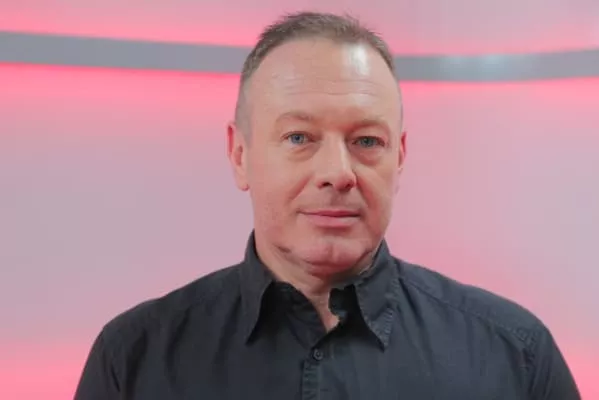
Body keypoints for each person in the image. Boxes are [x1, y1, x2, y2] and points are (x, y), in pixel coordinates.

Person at [74, 11, 580, 400]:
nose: (338, 172)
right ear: (240, 155)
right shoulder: (133, 358)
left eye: (366, 141)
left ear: (400, 158)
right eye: (299, 137)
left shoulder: (514, 353)